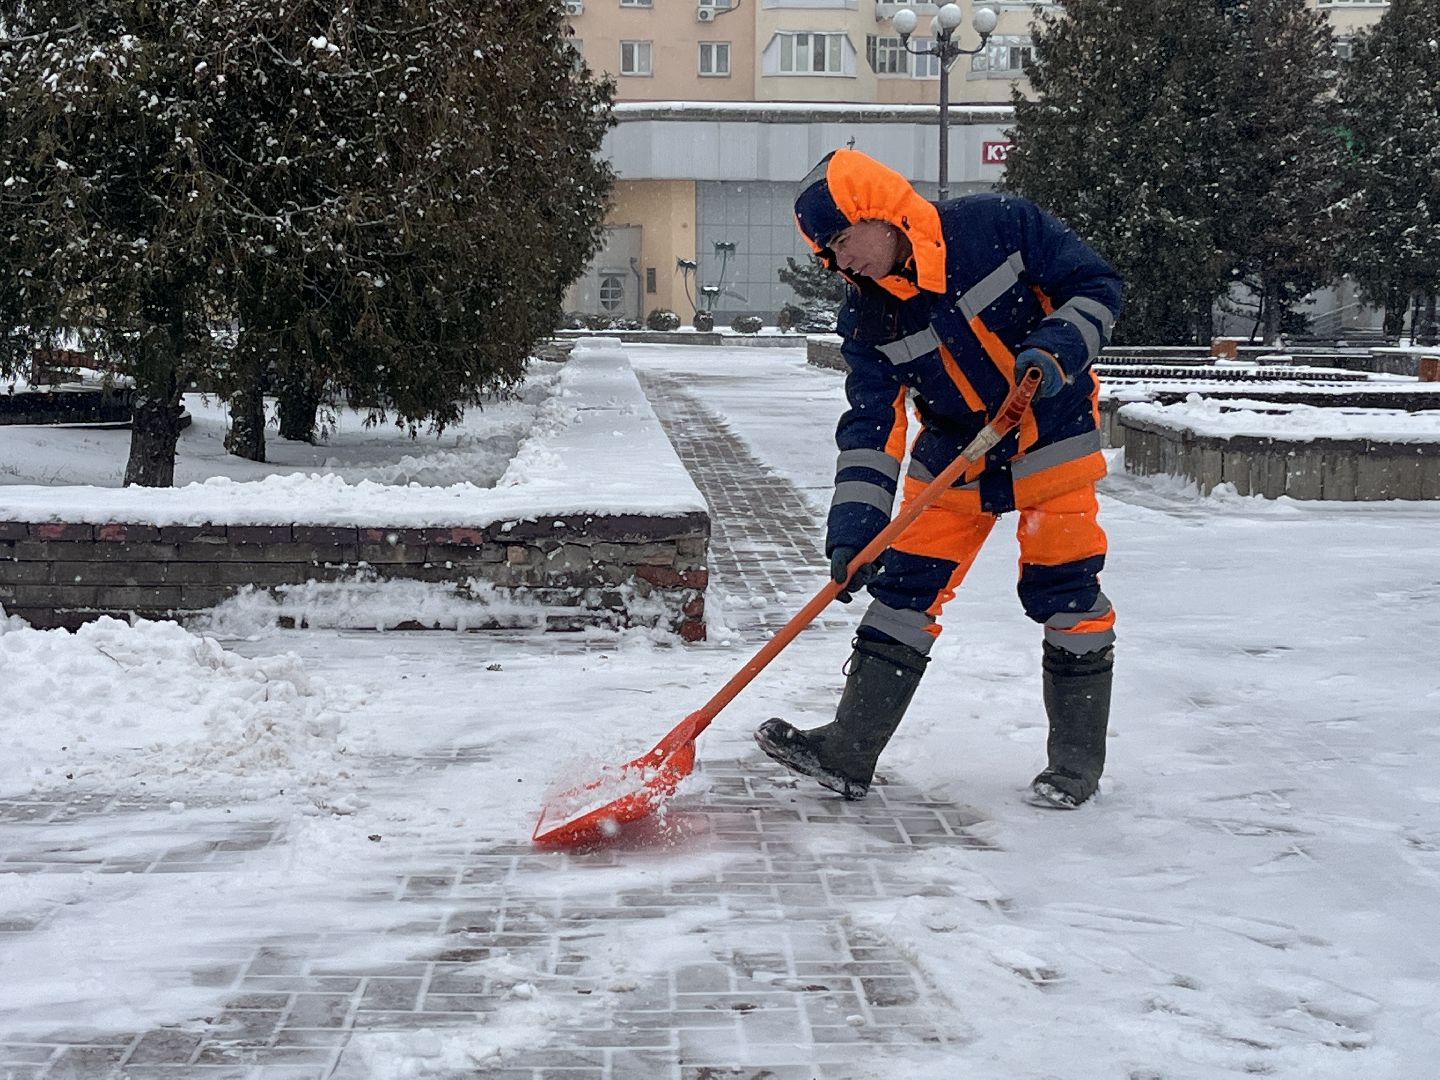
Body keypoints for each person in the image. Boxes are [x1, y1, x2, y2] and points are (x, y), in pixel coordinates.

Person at [754, 148, 1123, 809]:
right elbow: (870, 426)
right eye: (828, 255)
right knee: (904, 585)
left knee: (1064, 587)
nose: (841, 264)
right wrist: (856, 531)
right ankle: (848, 751)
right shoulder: (867, 317)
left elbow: (1094, 287)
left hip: (1049, 431)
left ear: (877, 211)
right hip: (958, 451)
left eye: (842, 241)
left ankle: (1073, 767)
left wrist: (1055, 347)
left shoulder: (998, 227)